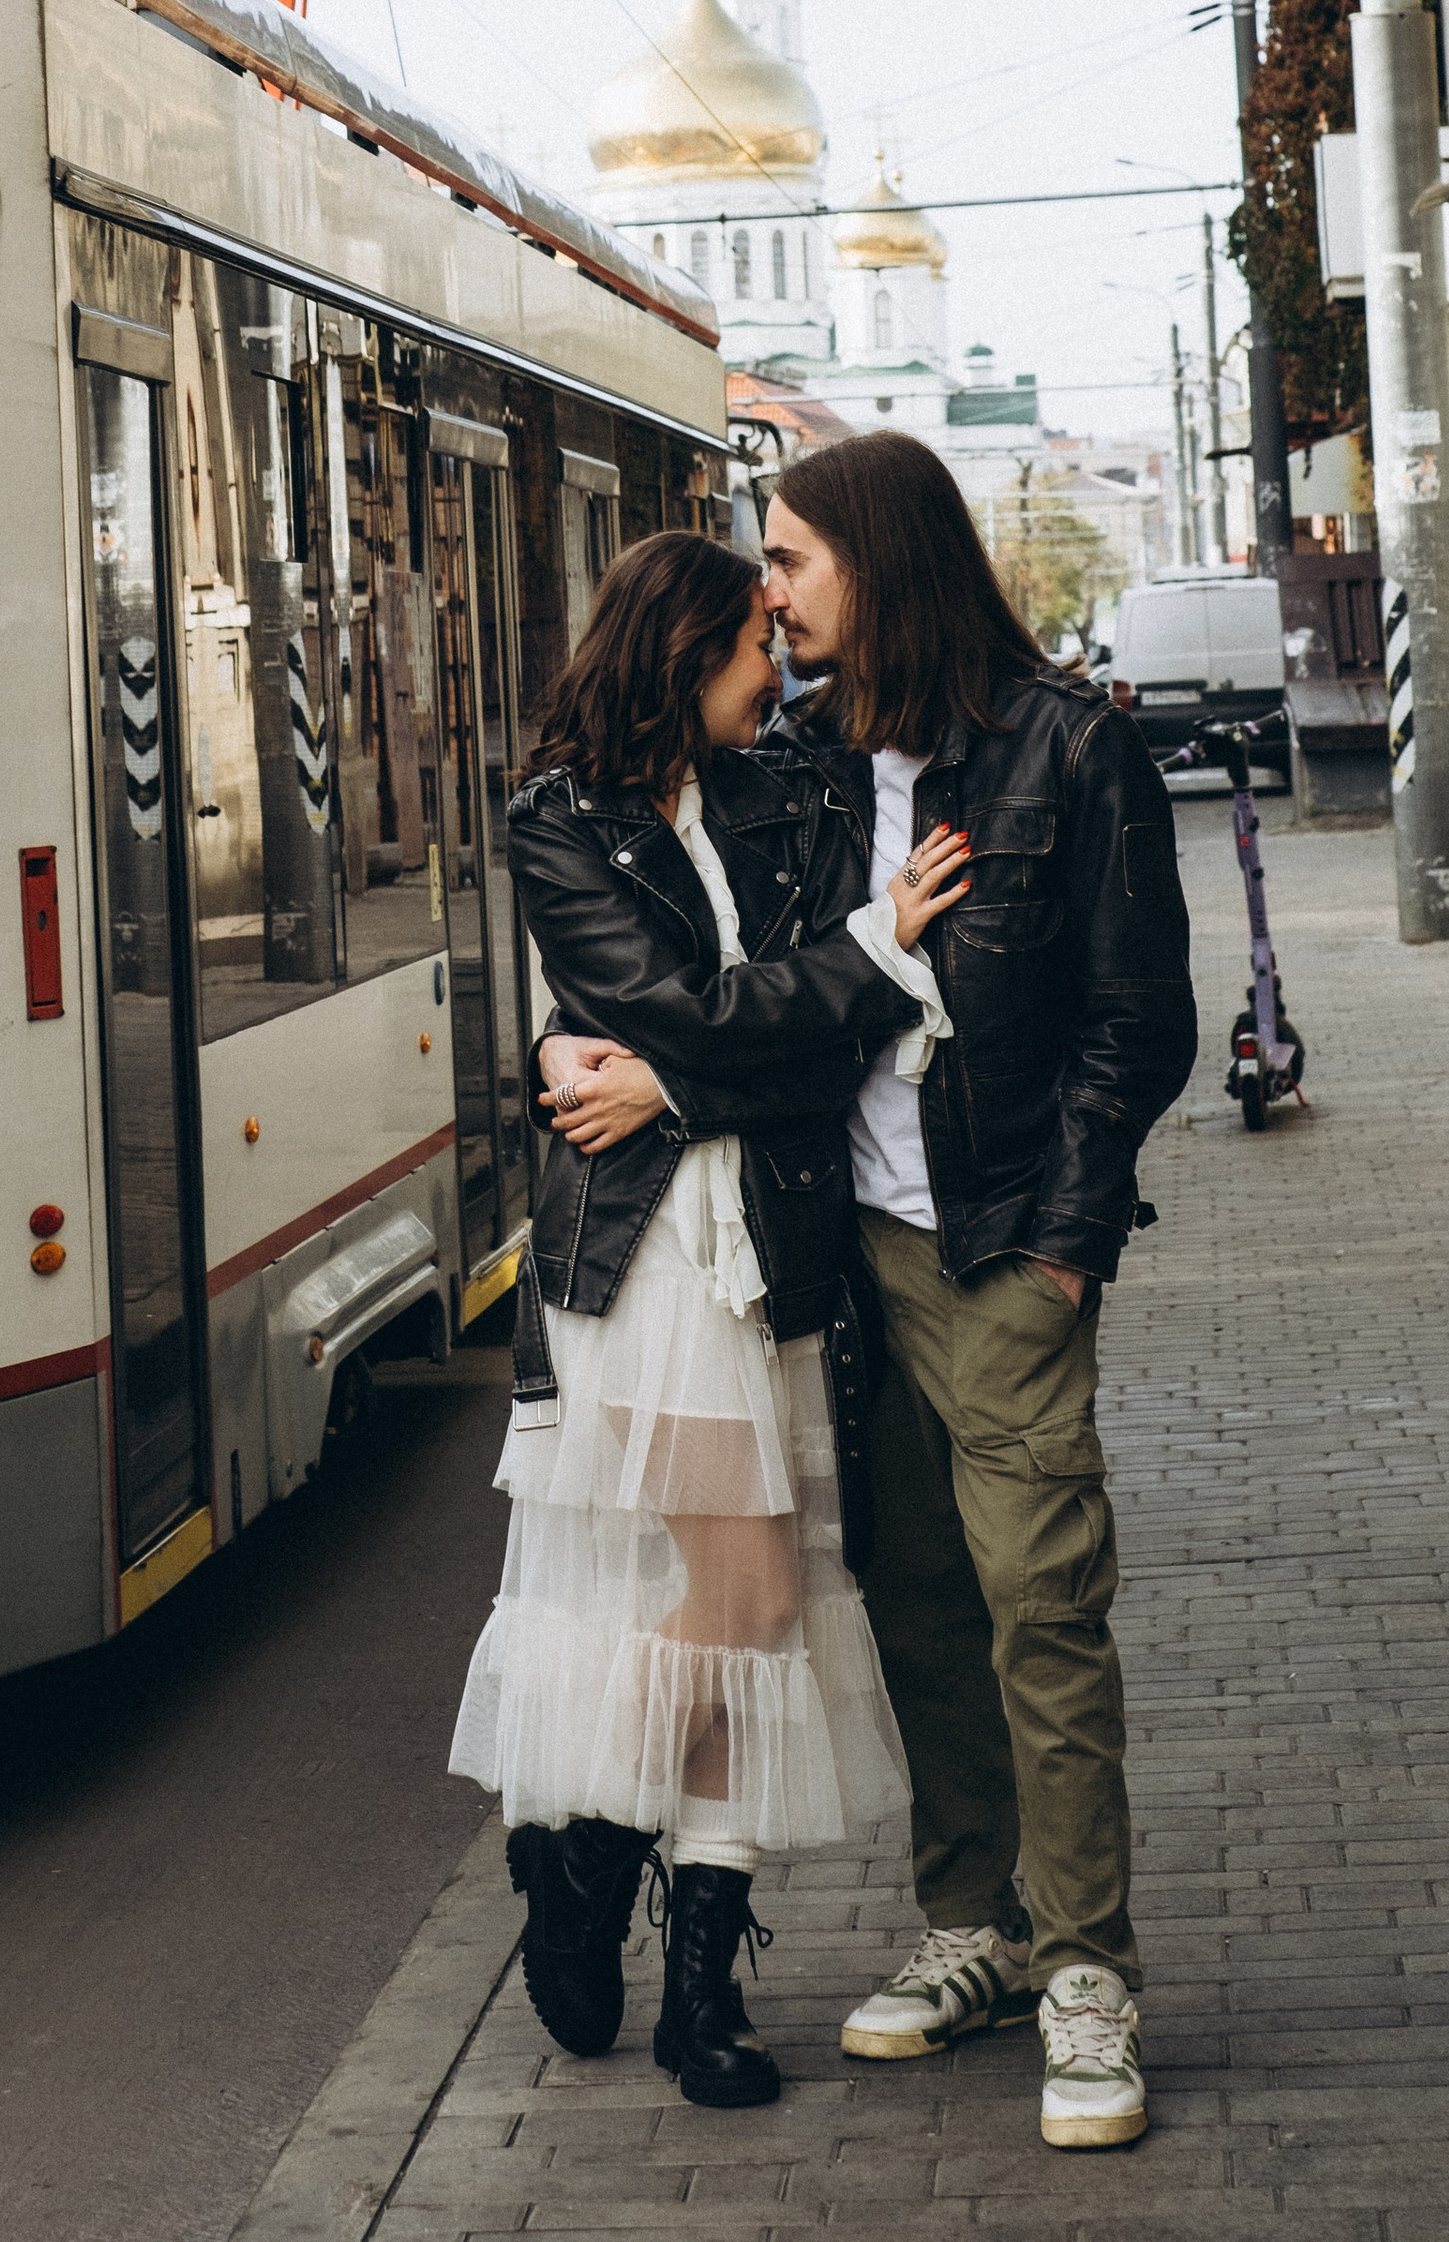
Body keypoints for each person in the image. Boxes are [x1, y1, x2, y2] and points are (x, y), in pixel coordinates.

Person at [449, 528, 936, 2110]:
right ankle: (592, 1855)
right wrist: (854, 965)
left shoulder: (790, 786)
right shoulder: (560, 821)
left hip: (775, 1236)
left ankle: (695, 1979)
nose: (778, 674)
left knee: (773, 1598)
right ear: (681, 655)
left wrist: (676, 1069)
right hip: (647, 1260)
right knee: (736, 1591)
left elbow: (770, 1042)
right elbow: (718, 1010)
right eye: (754, 650)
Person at [753, 430, 1198, 2152]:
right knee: (917, 1595)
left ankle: (1089, 1969)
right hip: (854, 1255)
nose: (770, 591)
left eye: (791, 558)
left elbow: (1134, 1022)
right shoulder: (791, 761)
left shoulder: (1071, 749)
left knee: (1042, 1603)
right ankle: (979, 1932)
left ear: (879, 560)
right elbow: (760, 984)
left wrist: (1071, 1238)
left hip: (1006, 1240)